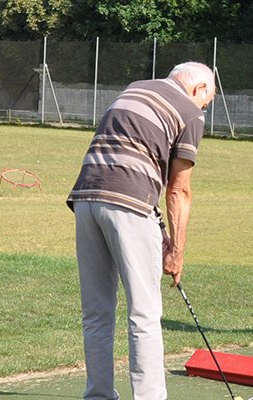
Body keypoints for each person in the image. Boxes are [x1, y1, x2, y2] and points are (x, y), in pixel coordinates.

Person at [67, 61, 215, 399]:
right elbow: (178, 189)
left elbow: (135, 159)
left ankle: (98, 395)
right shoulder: (190, 111)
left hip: (86, 198)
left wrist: (158, 227)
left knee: (97, 312)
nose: (203, 109)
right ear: (199, 89)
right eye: (206, 102)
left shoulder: (135, 87)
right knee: (144, 313)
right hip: (127, 205)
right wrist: (176, 251)